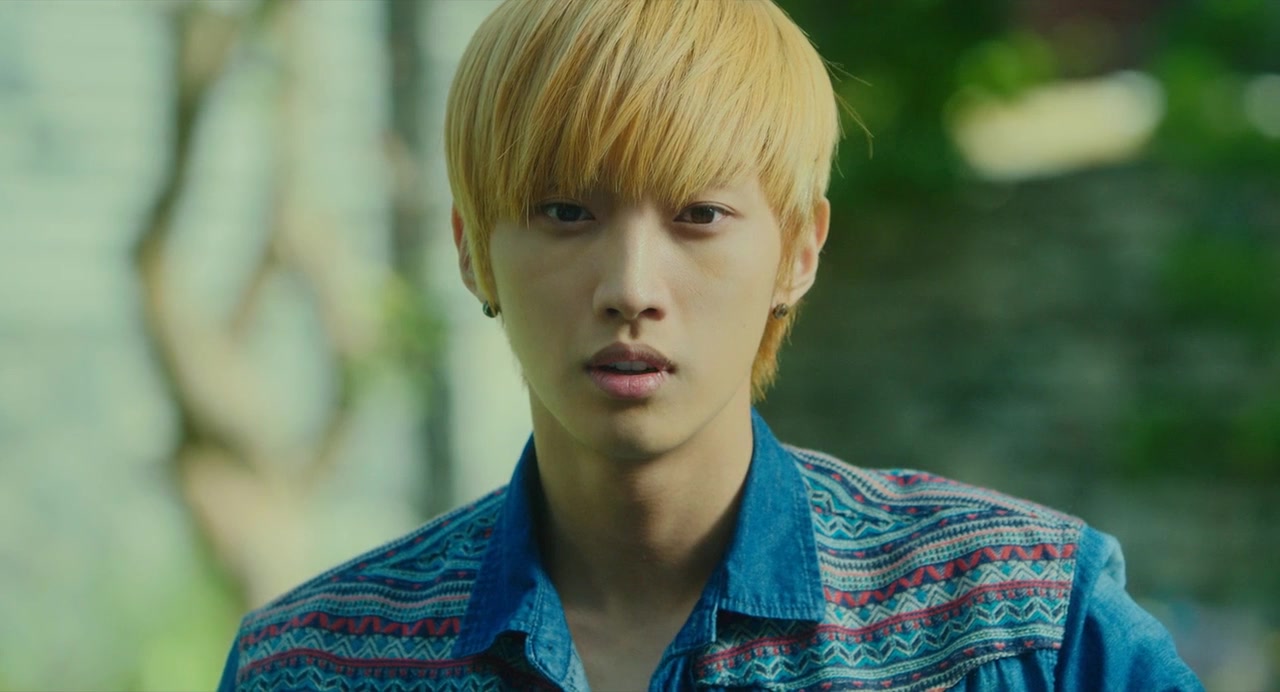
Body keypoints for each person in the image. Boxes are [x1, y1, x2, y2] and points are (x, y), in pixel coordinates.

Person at [217, 1, 1204, 690]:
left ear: (798, 252)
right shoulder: (314, 663)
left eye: (698, 214)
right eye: (564, 211)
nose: (630, 288)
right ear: (473, 250)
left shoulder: (1015, 622)